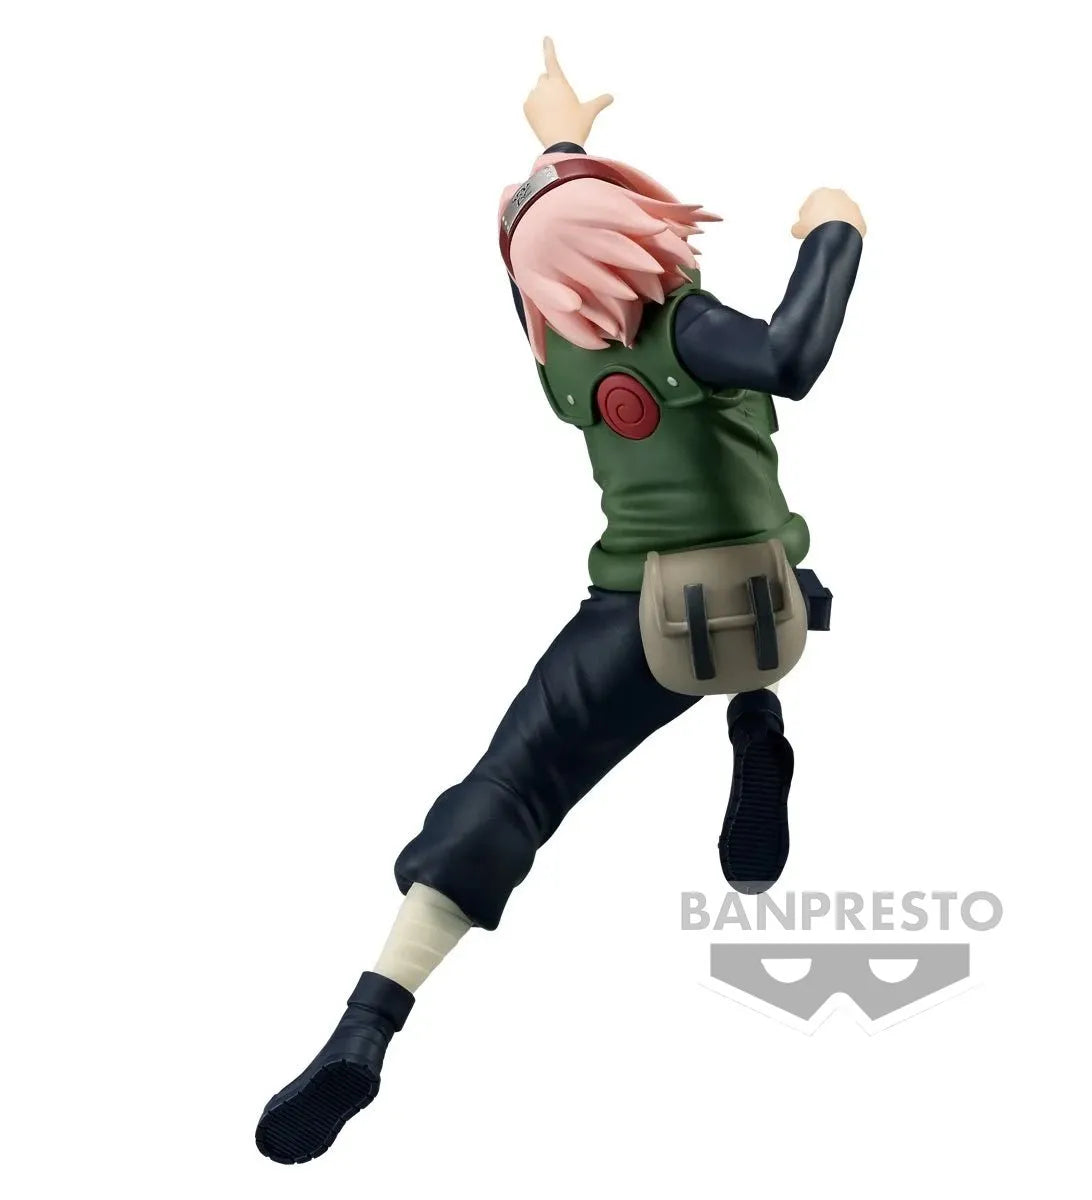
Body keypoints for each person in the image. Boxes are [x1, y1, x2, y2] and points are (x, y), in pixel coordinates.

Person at [256, 38, 865, 1165]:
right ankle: (757, 726)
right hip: (773, 598)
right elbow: (792, 355)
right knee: (764, 625)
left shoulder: (557, 355)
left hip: (634, 619)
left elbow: (530, 252)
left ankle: (366, 1026)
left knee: (513, 785)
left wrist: (558, 146)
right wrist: (837, 230)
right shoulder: (692, 328)